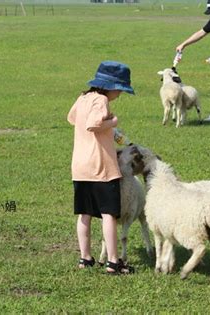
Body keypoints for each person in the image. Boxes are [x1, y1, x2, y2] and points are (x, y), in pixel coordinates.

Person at [67, 61, 135, 275]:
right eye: (120, 89)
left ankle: (85, 257)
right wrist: (112, 122)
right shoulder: (102, 100)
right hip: (101, 167)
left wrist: (107, 129)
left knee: (84, 214)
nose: (120, 94)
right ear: (110, 86)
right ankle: (113, 261)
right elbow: (94, 124)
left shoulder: (83, 97)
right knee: (108, 214)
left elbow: (72, 119)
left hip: (80, 166)